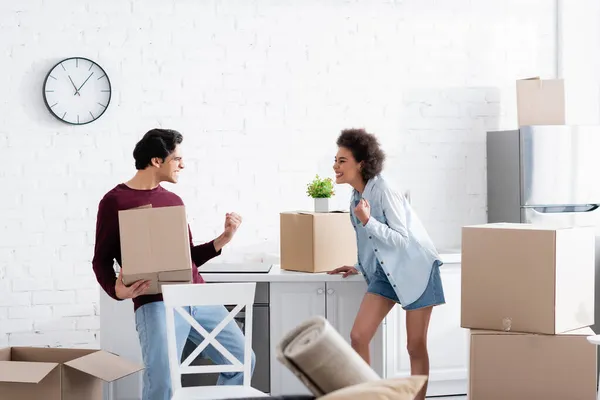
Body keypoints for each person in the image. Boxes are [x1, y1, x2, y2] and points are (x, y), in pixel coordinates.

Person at [92, 128, 255, 400]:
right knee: (162, 381)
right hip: (154, 300)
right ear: (157, 160)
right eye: (177, 159)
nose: (183, 164)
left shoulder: (172, 200)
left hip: (196, 295)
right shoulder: (115, 201)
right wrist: (117, 291)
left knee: (243, 360)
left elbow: (186, 257)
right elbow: (100, 260)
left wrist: (223, 239)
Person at [328, 128, 444, 400]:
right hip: (385, 271)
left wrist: (369, 221)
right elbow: (367, 241)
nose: (335, 166)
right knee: (359, 336)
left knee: (415, 346)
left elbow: (402, 240)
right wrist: (358, 265)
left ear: (362, 163)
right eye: (335, 160)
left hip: (416, 269)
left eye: (342, 161)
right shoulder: (356, 196)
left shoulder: (385, 190)